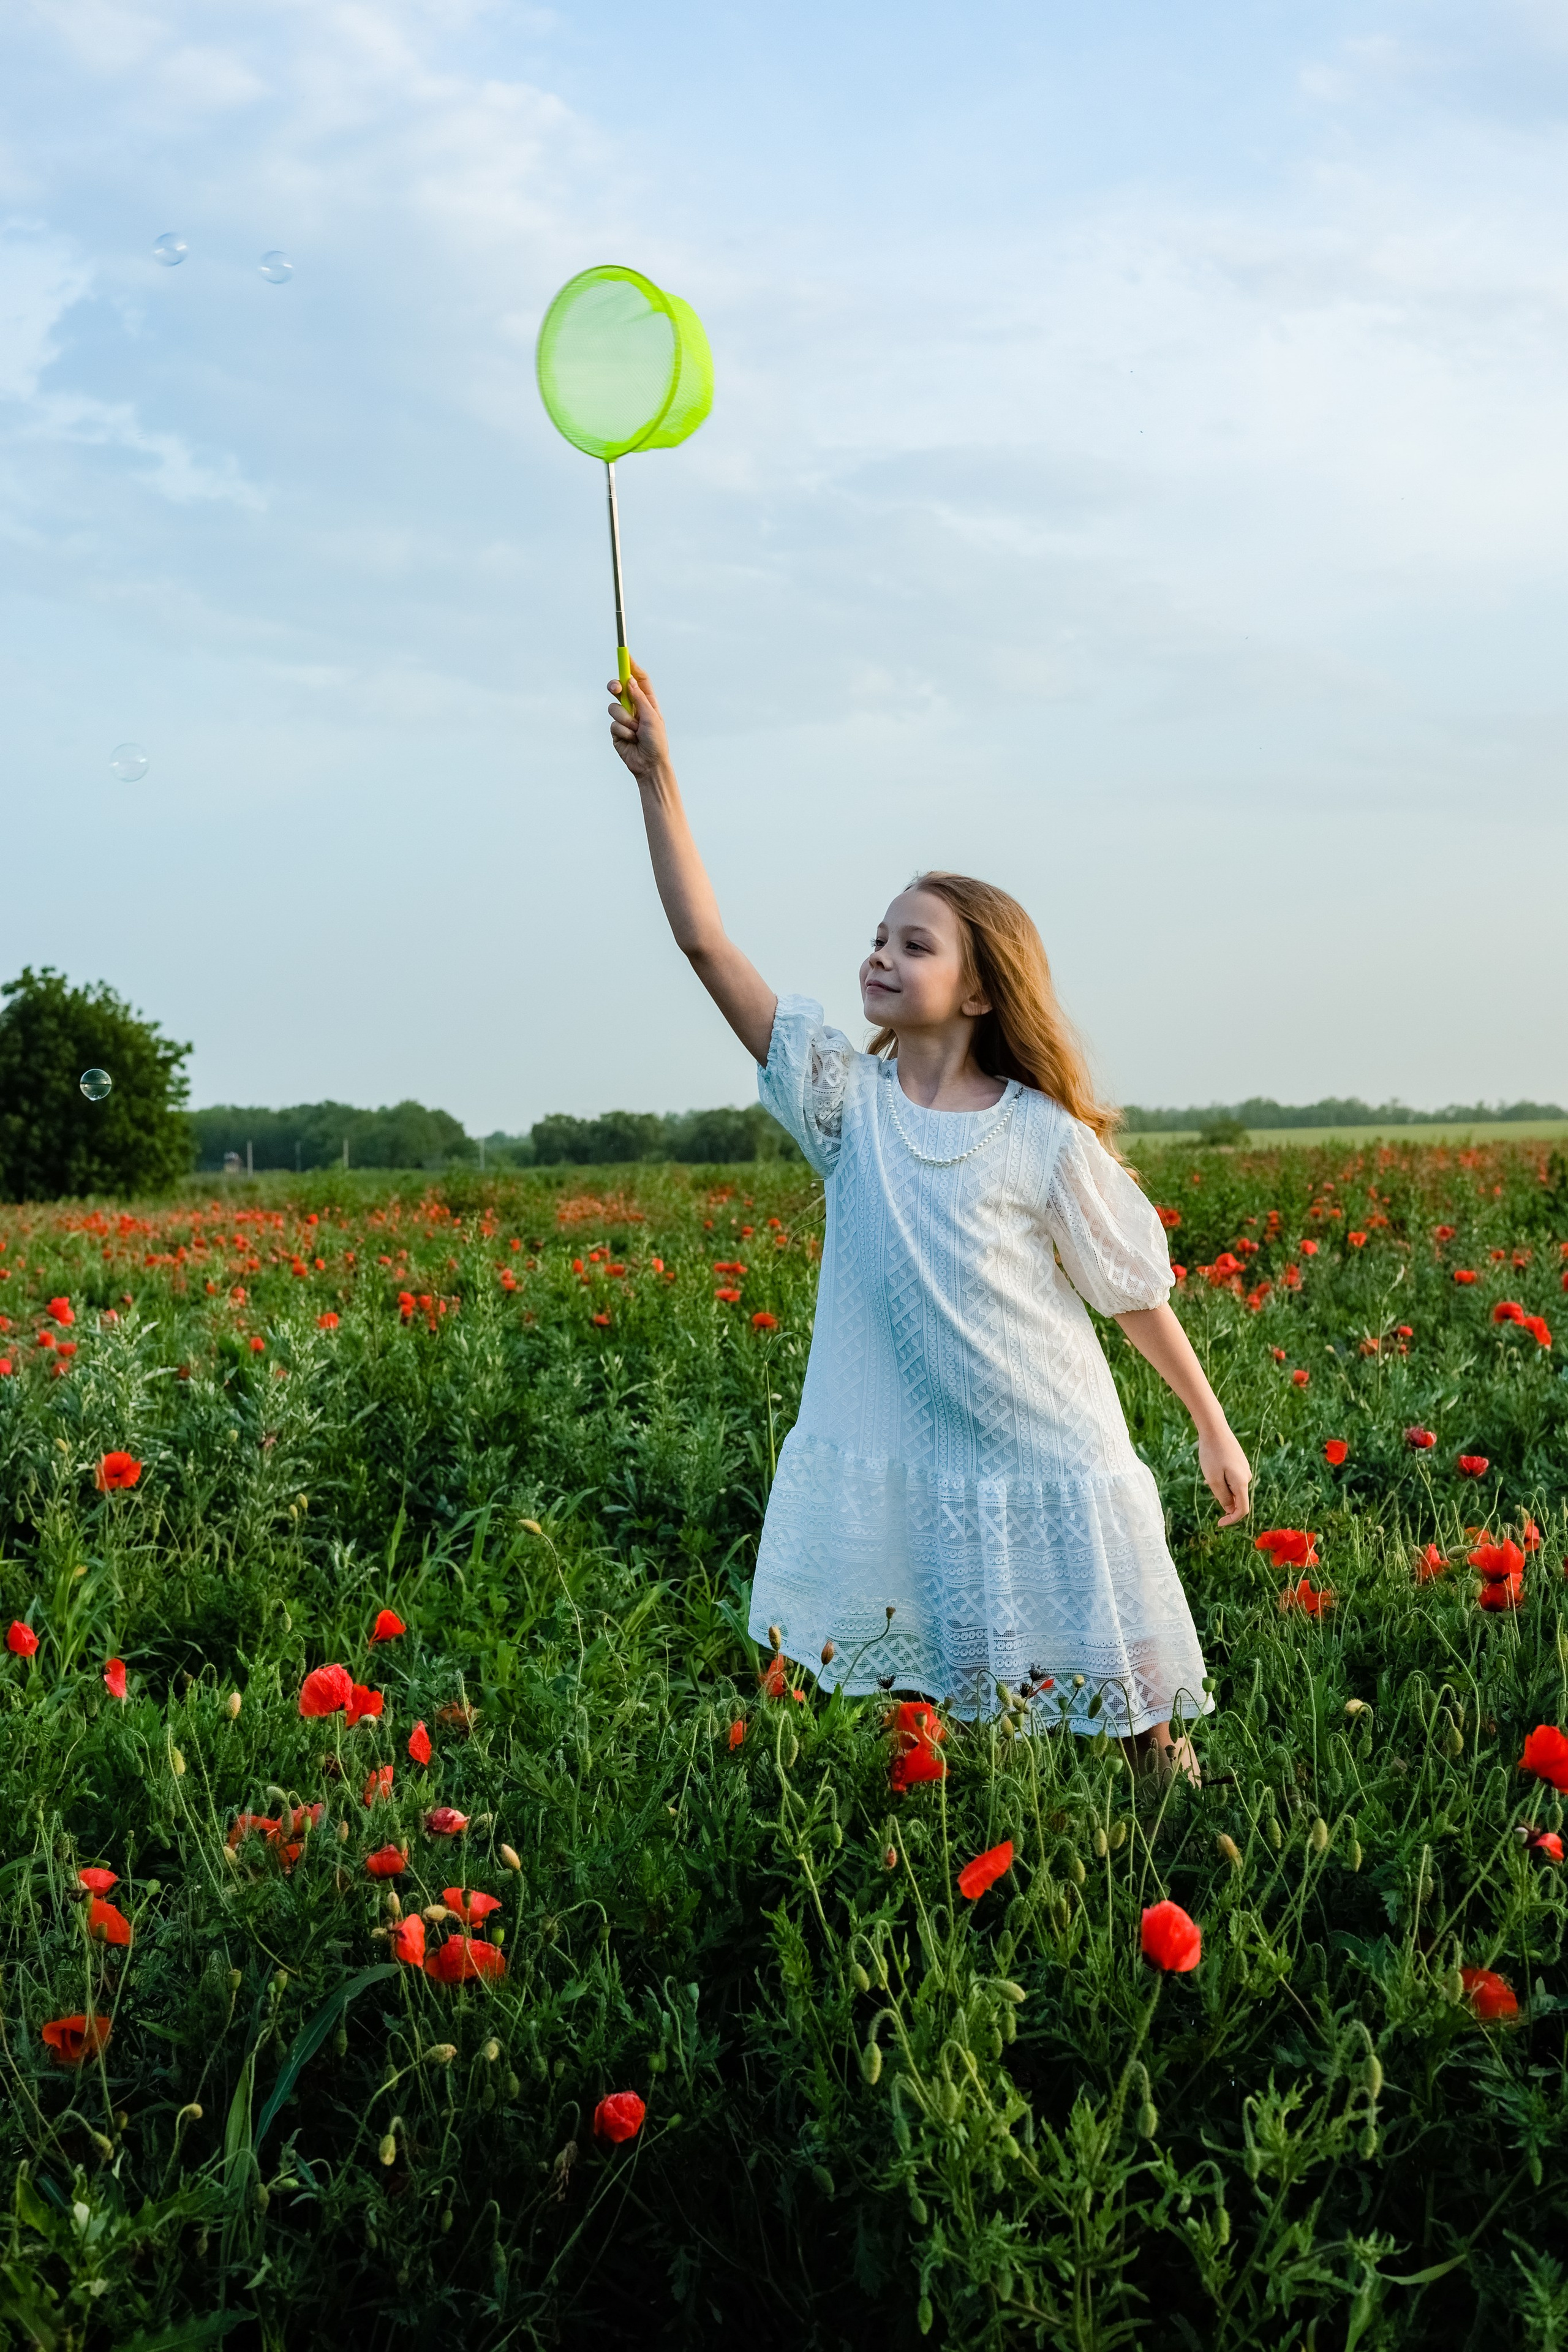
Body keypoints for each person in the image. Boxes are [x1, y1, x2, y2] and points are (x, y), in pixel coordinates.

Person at [608, 663, 1251, 1777]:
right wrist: (660, 778)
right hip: (911, 1436)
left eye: (916, 944)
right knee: (933, 1673)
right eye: (880, 936)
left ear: (984, 990)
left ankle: (1160, 1781)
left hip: (1048, 1428)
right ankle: (955, 1808)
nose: (882, 955)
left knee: (1126, 1677)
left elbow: (1128, 1288)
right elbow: (707, 945)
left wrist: (1208, 1420)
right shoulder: (842, 1106)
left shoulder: (1044, 1131)